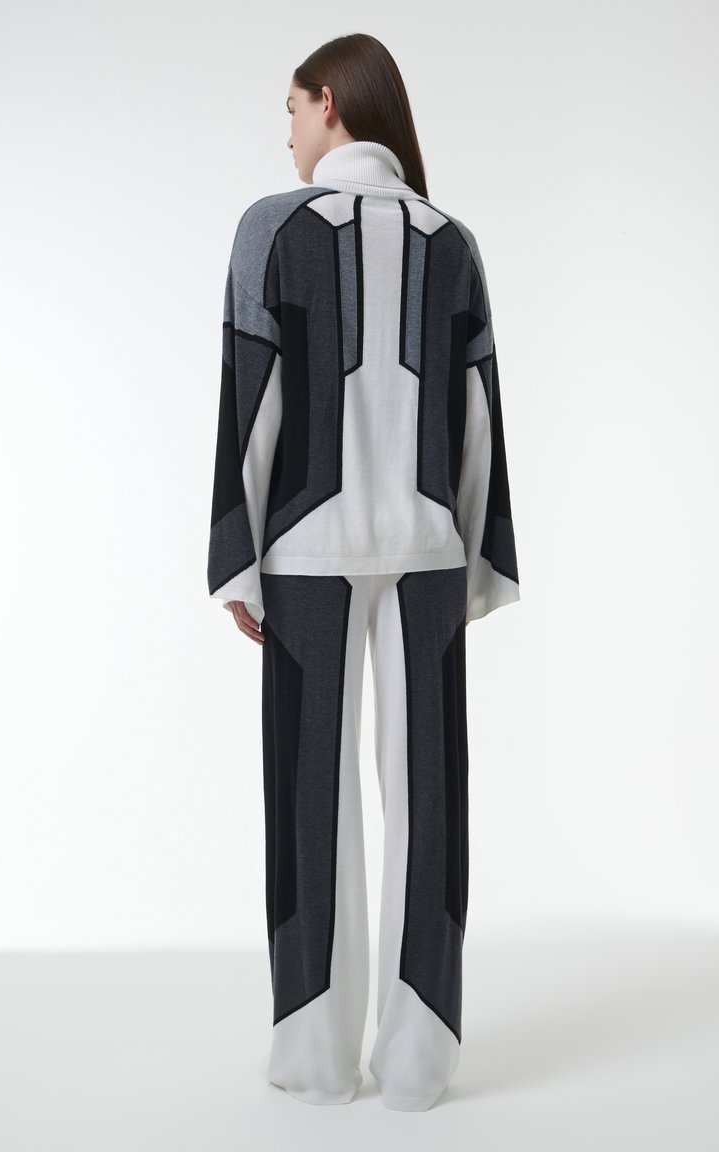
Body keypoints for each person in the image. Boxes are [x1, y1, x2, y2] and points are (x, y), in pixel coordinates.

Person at [207, 32, 520, 1111]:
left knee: (309, 796)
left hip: (306, 552)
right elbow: (478, 418)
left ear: (330, 102)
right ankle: (419, 1066)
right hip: (429, 553)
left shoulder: (270, 229)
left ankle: (312, 1057)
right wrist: (480, 565)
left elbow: (248, 398)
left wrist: (237, 561)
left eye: (292, 109)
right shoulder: (452, 240)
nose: (288, 132)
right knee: (431, 798)